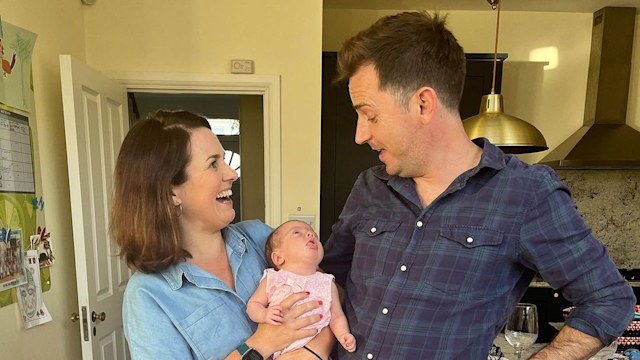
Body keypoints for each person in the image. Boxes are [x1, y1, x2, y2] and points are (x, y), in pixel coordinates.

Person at [320, 11, 636, 360]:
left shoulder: (527, 194)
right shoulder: (370, 186)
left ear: (423, 103)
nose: (360, 134)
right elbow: (329, 280)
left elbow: (608, 298)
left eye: (370, 114)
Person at [111, 110, 333, 360]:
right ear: (170, 191)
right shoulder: (149, 295)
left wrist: (312, 350)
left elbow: (330, 294)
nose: (232, 174)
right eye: (213, 164)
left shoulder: (259, 238)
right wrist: (261, 344)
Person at [247, 220, 356, 358]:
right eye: (297, 232)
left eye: (314, 234)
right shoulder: (273, 278)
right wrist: (264, 314)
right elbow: (253, 305)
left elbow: (336, 315)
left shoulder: (327, 282)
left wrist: (343, 335)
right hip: (283, 350)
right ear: (278, 257)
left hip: (317, 349)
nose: (311, 234)